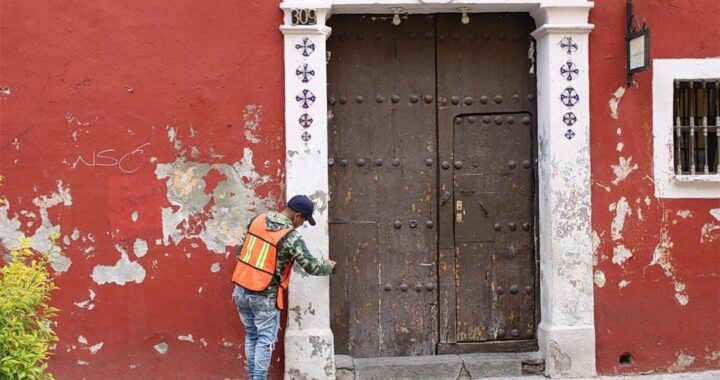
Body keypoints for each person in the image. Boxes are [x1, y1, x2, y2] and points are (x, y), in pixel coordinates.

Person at [231, 194, 336, 380]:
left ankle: (253, 377)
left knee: (252, 335)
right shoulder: (291, 237)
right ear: (297, 216)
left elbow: (242, 249)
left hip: (241, 288)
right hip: (265, 294)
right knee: (265, 339)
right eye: (303, 220)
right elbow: (311, 267)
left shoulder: (258, 219)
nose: (301, 224)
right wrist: (328, 266)